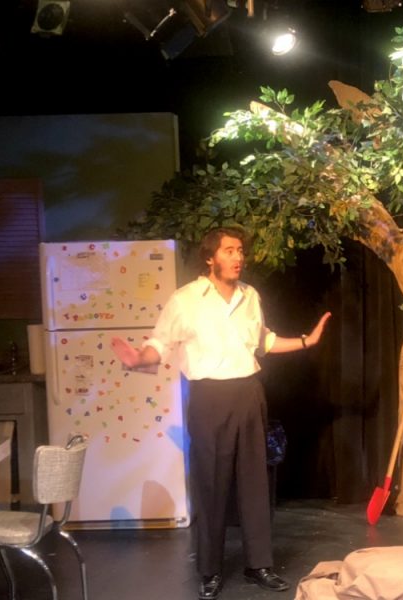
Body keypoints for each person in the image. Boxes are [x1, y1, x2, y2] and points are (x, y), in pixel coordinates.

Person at [111, 227, 331, 600]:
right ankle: (210, 570)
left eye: (240, 250)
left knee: (255, 483)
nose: (238, 256)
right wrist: (138, 359)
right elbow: (160, 344)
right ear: (211, 258)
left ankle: (258, 563)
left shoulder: (250, 296)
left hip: (248, 393)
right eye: (229, 250)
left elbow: (262, 341)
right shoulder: (186, 300)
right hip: (208, 395)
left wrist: (307, 341)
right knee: (210, 483)